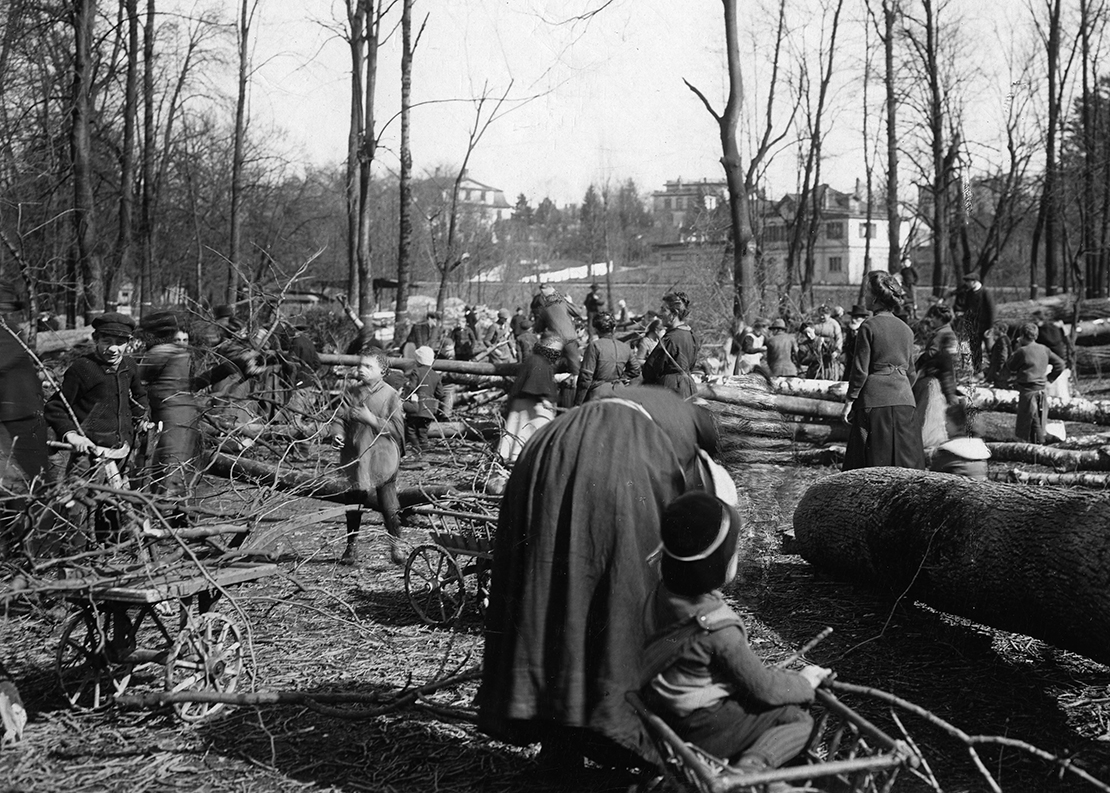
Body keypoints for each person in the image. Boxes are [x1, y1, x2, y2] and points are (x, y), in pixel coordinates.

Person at [477, 386, 722, 769]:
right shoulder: (694, 427)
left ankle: (559, 745)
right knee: (624, 592)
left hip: (547, 448)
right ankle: (619, 729)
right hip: (612, 458)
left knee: (549, 591)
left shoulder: (647, 402)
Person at [641, 492, 830, 774]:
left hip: (666, 712)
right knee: (795, 719)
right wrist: (804, 683)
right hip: (703, 726)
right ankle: (750, 770)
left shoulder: (661, 594)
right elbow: (764, 688)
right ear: (718, 563)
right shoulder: (718, 627)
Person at [45, 312, 150, 544]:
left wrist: (142, 415)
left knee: (115, 500)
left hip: (122, 448)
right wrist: (72, 435)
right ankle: (75, 556)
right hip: (90, 453)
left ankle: (108, 551)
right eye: (107, 342)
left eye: (120, 343)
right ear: (96, 340)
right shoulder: (82, 369)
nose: (114, 349)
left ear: (128, 343)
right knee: (80, 502)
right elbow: (55, 407)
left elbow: (140, 395)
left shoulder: (129, 366)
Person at [328, 349, 405, 565]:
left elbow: (397, 429)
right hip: (356, 458)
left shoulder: (390, 395)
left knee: (389, 503)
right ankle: (351, 547)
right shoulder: (351, 392)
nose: (361, 369)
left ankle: (395, 545)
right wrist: (338, 434)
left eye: (368, 366)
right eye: (360, 365)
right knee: (353, 503)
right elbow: (339, 418)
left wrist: (371, 419)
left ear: (382, 370)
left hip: (382, 458)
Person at [842, 271, 925, 471]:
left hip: (874, 401)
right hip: (905, 400)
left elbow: (860, 370)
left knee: (868, 464)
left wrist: (850, 400)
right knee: (905, 463)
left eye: (868, 292)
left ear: (877, 298)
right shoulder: (906, 329)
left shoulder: (868, 326)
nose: (866, 296)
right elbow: (911, 372)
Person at [0, 280, 47, 560]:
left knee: (21, 489)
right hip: (16, 420)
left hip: (17, 422)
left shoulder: (8, 334)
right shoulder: (13, 333)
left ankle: (29, 560)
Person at [138, 311, 198, 499]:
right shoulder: (182, 353)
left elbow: (137, 382)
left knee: (169, 461)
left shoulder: (158, 353)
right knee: (182, 461)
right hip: (185, 411)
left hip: (169, 413)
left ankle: (167, 510)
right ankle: (181, 508)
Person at [497, 334, 562, 465]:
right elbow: (536, 385)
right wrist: (544, 398)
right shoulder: (539, 362)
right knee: (530, 431)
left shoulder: (536, 360)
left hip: (524, 403)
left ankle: (515, 457)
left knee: (518, 432)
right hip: (531, 405)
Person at [1006, 322, 1065, 444]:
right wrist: (1049, 378)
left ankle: (1039, 446)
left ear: (1022, 336)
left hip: (1028, 390)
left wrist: (1016, 348)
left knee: (1032, 421)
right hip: (1041, 389)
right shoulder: (1044, 349)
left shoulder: (1022, 351)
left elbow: (1010, 366)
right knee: (1038, 418)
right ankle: (1037, 443)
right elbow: (1060, 364)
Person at [913, 304, 959, 449]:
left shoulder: (943, 334)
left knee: (930, 414)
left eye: (934, 317)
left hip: (936, 379)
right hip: (939, 377)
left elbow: (937, 357)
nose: (931, 320)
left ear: (940, 318)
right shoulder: (944, 332)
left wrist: (920, 357)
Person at [574, 311, 640, 405]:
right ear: (614, 329)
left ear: (596, 330)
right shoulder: (625, 347)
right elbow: (636, 369)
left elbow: (585, 377)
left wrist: (578, 402)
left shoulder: (595, 346)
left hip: (598, 394)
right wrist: (621, 378)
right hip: (620, 393)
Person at [642, 291, 699, 397]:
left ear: (674, 314)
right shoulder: (692, 336)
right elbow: (692, 364)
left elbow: (649, 370)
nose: (659, 314)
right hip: (689, 389)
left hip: (669, 391)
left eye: (663, 310)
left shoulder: (670, 339)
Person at [401, 346, 445, 456]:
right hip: (429, 410)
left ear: (419, 360)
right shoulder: (436, 375)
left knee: (410, 430)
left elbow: (412, 387)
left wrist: (405, 391)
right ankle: (424, 456)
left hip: (416, 407)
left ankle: (418, 451)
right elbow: (440, 394)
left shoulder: (416, 371)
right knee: (422, 433)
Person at [930, 400, 991, 481]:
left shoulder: (947, 451)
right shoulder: (980, 448)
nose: (944, 425)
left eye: (948, 422)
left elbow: (933, 475)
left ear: (958, 424)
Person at [953, 271, 996, 375]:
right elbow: (967, 308)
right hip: (974, 326)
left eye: (968, 281)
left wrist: (991, 327)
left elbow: (992, 310)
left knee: (991, 349)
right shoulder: (969, 293)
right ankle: (978, 371)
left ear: (975, 281)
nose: (967, 283)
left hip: (986, 326)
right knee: (975, 350)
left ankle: (995, 371)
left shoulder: (986, 292)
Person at [1033, 309, 1074, 400]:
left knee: (1051, 388)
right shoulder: (1055, 327)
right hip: (1060, 360)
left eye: (1035, 319)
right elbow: (1066, 340)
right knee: (1061, 387)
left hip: (1049, 362)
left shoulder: (1042, 331)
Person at [812, 305, 843, 380]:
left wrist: (837, 350)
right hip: (817, 352)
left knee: (831, 369)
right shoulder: (815, 324)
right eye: (820, 315)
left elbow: (839, 338)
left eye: (824, 315)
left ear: (829, 315)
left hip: (830, 351)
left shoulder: (834, 324)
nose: (822, 317)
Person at [841, 305, 871, 379]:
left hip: (862, 367)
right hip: (849, 365)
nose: (853, 320)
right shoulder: (850, 330)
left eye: (857, 318)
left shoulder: (867, 331)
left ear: (864, 319)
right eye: (853, 317)